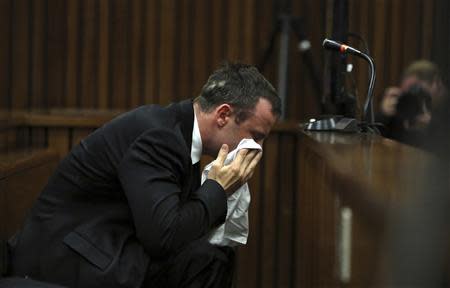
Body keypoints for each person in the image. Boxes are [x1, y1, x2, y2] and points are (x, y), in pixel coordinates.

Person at [8, 62, 281, 288]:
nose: (257, 149)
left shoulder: (179, 131)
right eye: (255, 136)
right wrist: (217, 189)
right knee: (204, 260)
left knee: (208, 257)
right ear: (223, 115)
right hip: (67, 256)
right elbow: (163, 237)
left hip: (106, 243)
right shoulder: (160, 137)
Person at [376, 60, 447, 135]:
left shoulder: (445, 111)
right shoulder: (403, 111)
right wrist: (383, 116)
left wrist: (431, 125)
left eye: (414, 88)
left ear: (435, 84)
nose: (411, 96)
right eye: (406, 92)